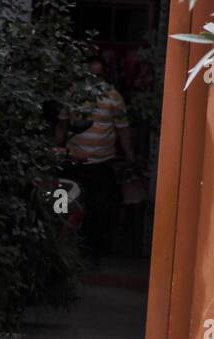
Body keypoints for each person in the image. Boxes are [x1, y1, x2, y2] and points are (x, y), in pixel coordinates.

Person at [56, 55, 136, 263]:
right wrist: (56, 150)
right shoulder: (73, 94)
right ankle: (63, 249)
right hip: (74, 161)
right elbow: (62, 126)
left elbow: (123, 129)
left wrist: (129, 154)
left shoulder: (113, 97)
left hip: (101, 164)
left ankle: (92, 252)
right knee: (64, 204)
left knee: (98, 209)